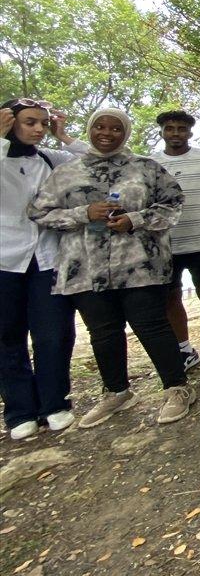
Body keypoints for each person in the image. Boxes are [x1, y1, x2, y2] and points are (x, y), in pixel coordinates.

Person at [30, 107, 196, 428]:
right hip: (85, 270)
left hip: (140, 266)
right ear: (91, 129)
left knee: (152, 326)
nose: (107, 133)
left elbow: (173, 204)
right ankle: (117, 392)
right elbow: (39, 212)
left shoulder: (146, 168)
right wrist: (84, 213)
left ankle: (177, 388)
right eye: (100, 127)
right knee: (103, 333)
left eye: (116, 128)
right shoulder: (67, 172)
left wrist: (135, 219)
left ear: (126, 133)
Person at [1, 100, 84, 439]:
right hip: (5, 261)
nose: (37, 129)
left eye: (43, 123)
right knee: (7, 336)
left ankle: (55, 403)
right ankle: (20, 410)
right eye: (29, 122)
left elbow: (93, 159)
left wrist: (63, 136)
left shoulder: (51, 159)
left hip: (48, 258)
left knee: (54, 333)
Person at [151, 110, 200, 378]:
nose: (176, 133)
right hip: (165, 244)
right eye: (170, 128)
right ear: (162, 131)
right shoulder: (149, 164)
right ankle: (185, 351)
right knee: (171, 298)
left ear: (190, 132)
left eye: (181, 129)